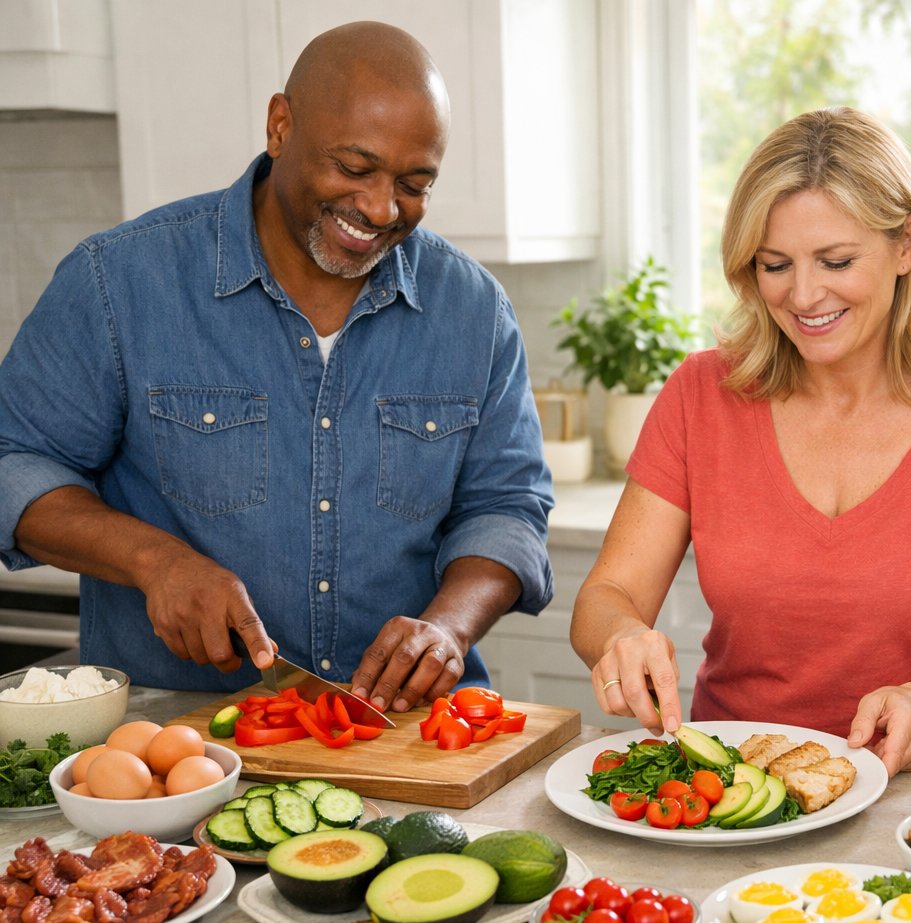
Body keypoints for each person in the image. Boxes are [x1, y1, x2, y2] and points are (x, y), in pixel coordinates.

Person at [0, 22, 553, 712]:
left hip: (405, 734)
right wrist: (155, 561)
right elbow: (15, 462)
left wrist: (448, 626)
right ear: (280, 126)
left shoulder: (473, 309)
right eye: (354, 169)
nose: (381, 209)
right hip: (178, 741)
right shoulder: (120, 282)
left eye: (414, 184)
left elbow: (507, 506)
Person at [569, 107, 911, 776]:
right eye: (775, 264)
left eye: (835, 260)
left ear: (906, 245)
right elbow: (606, 596)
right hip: (742, 786)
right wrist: (623, 636)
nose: (804, 295)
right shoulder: (702, 394)